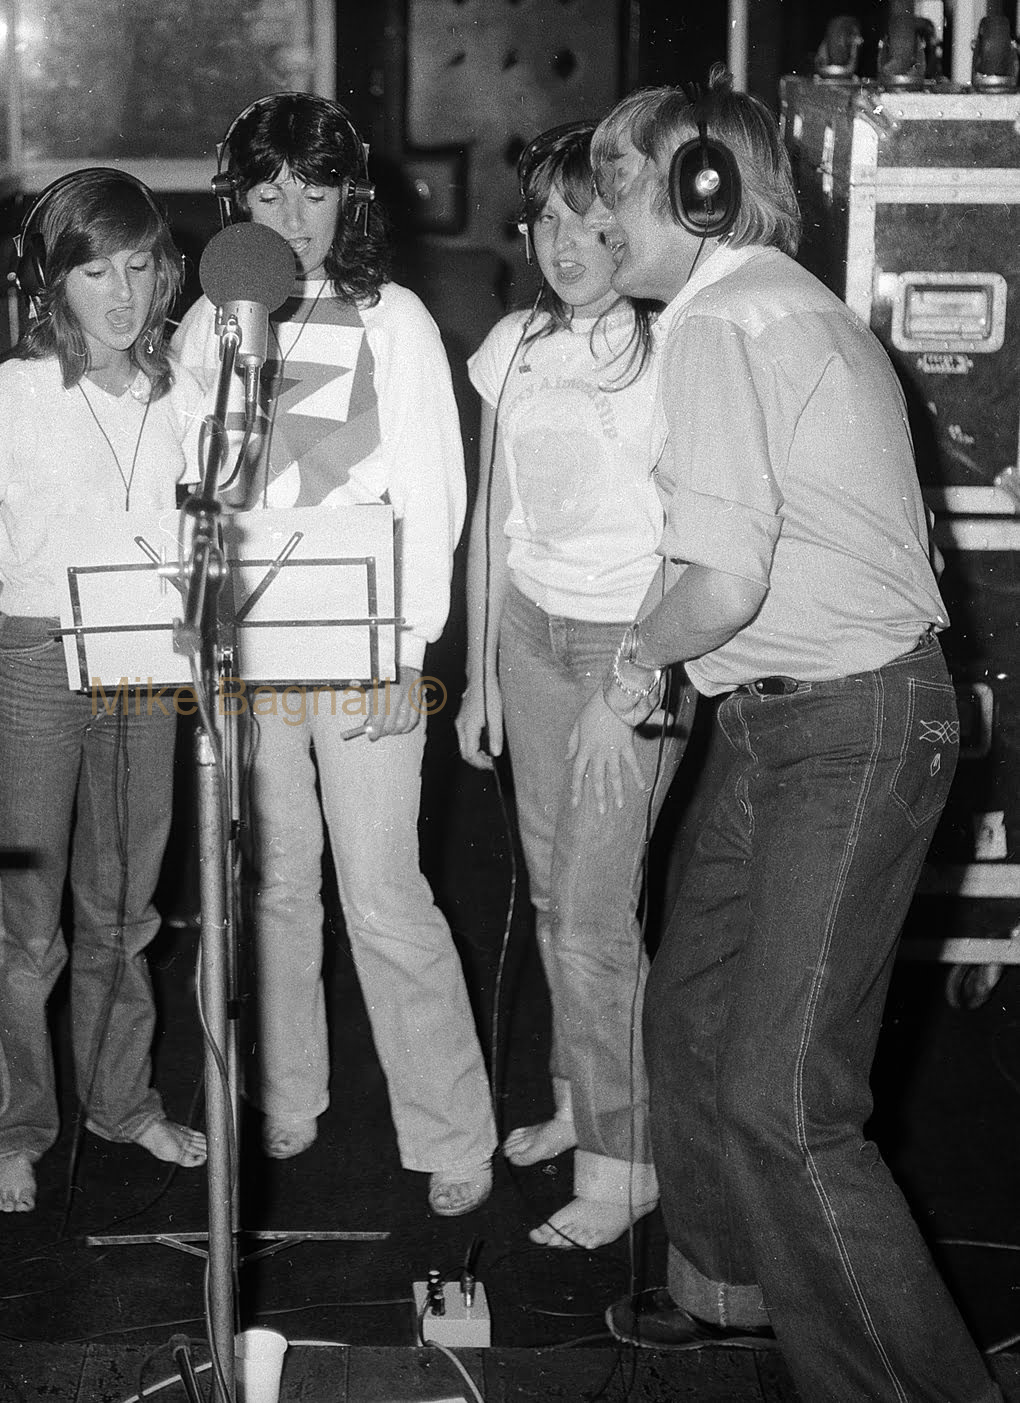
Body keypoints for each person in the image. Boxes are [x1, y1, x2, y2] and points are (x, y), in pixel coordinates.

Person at [576, 68, 1001, 1401]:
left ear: (702, 188)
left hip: (848, 728)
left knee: (787, 1099)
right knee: (692, 1013)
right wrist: (669, 658)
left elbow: (725, 584)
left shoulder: (724, 328)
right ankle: (734, 1289)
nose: (599, 209)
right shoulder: (761, 307)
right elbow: (721, 555)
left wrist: (631, 664)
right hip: (781, 724)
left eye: (622, 180)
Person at [175, 93, 498, 1216]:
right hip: (249, 654)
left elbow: (431, 494)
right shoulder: (206, 319)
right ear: (237, 201)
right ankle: (286, 1091)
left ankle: (453, 1127)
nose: (293, 215)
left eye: (314, 190)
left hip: (364, 649)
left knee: (383, 890)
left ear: (348, 195)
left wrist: (408, 648)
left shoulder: (394, 317)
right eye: (268, 194)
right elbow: (192, 484)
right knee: (270, 885)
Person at [0, 168, 208, 1215]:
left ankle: (123, 1100)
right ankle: (14, 1131)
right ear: (53, 280)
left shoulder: (181, 391)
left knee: (126, 909)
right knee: (27, 924)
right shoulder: (4, 398)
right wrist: (54, 601)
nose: (123, 292)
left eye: (140, 265)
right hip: (43, 655)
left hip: (149, 659)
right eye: (95, 269)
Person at [454, 122, 693, 1250]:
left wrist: (638, 674)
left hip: (627, 651)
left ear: (630, 224)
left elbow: (697, 534)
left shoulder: (672, 351)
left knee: (596, 918)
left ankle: (628, 1158)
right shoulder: (513, 346)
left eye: (592, 219)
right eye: (546, 218)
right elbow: (491, 520)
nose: (567, 241)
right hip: (529, 639)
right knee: (556, 901)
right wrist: (477, 677)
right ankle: (577, 1103)